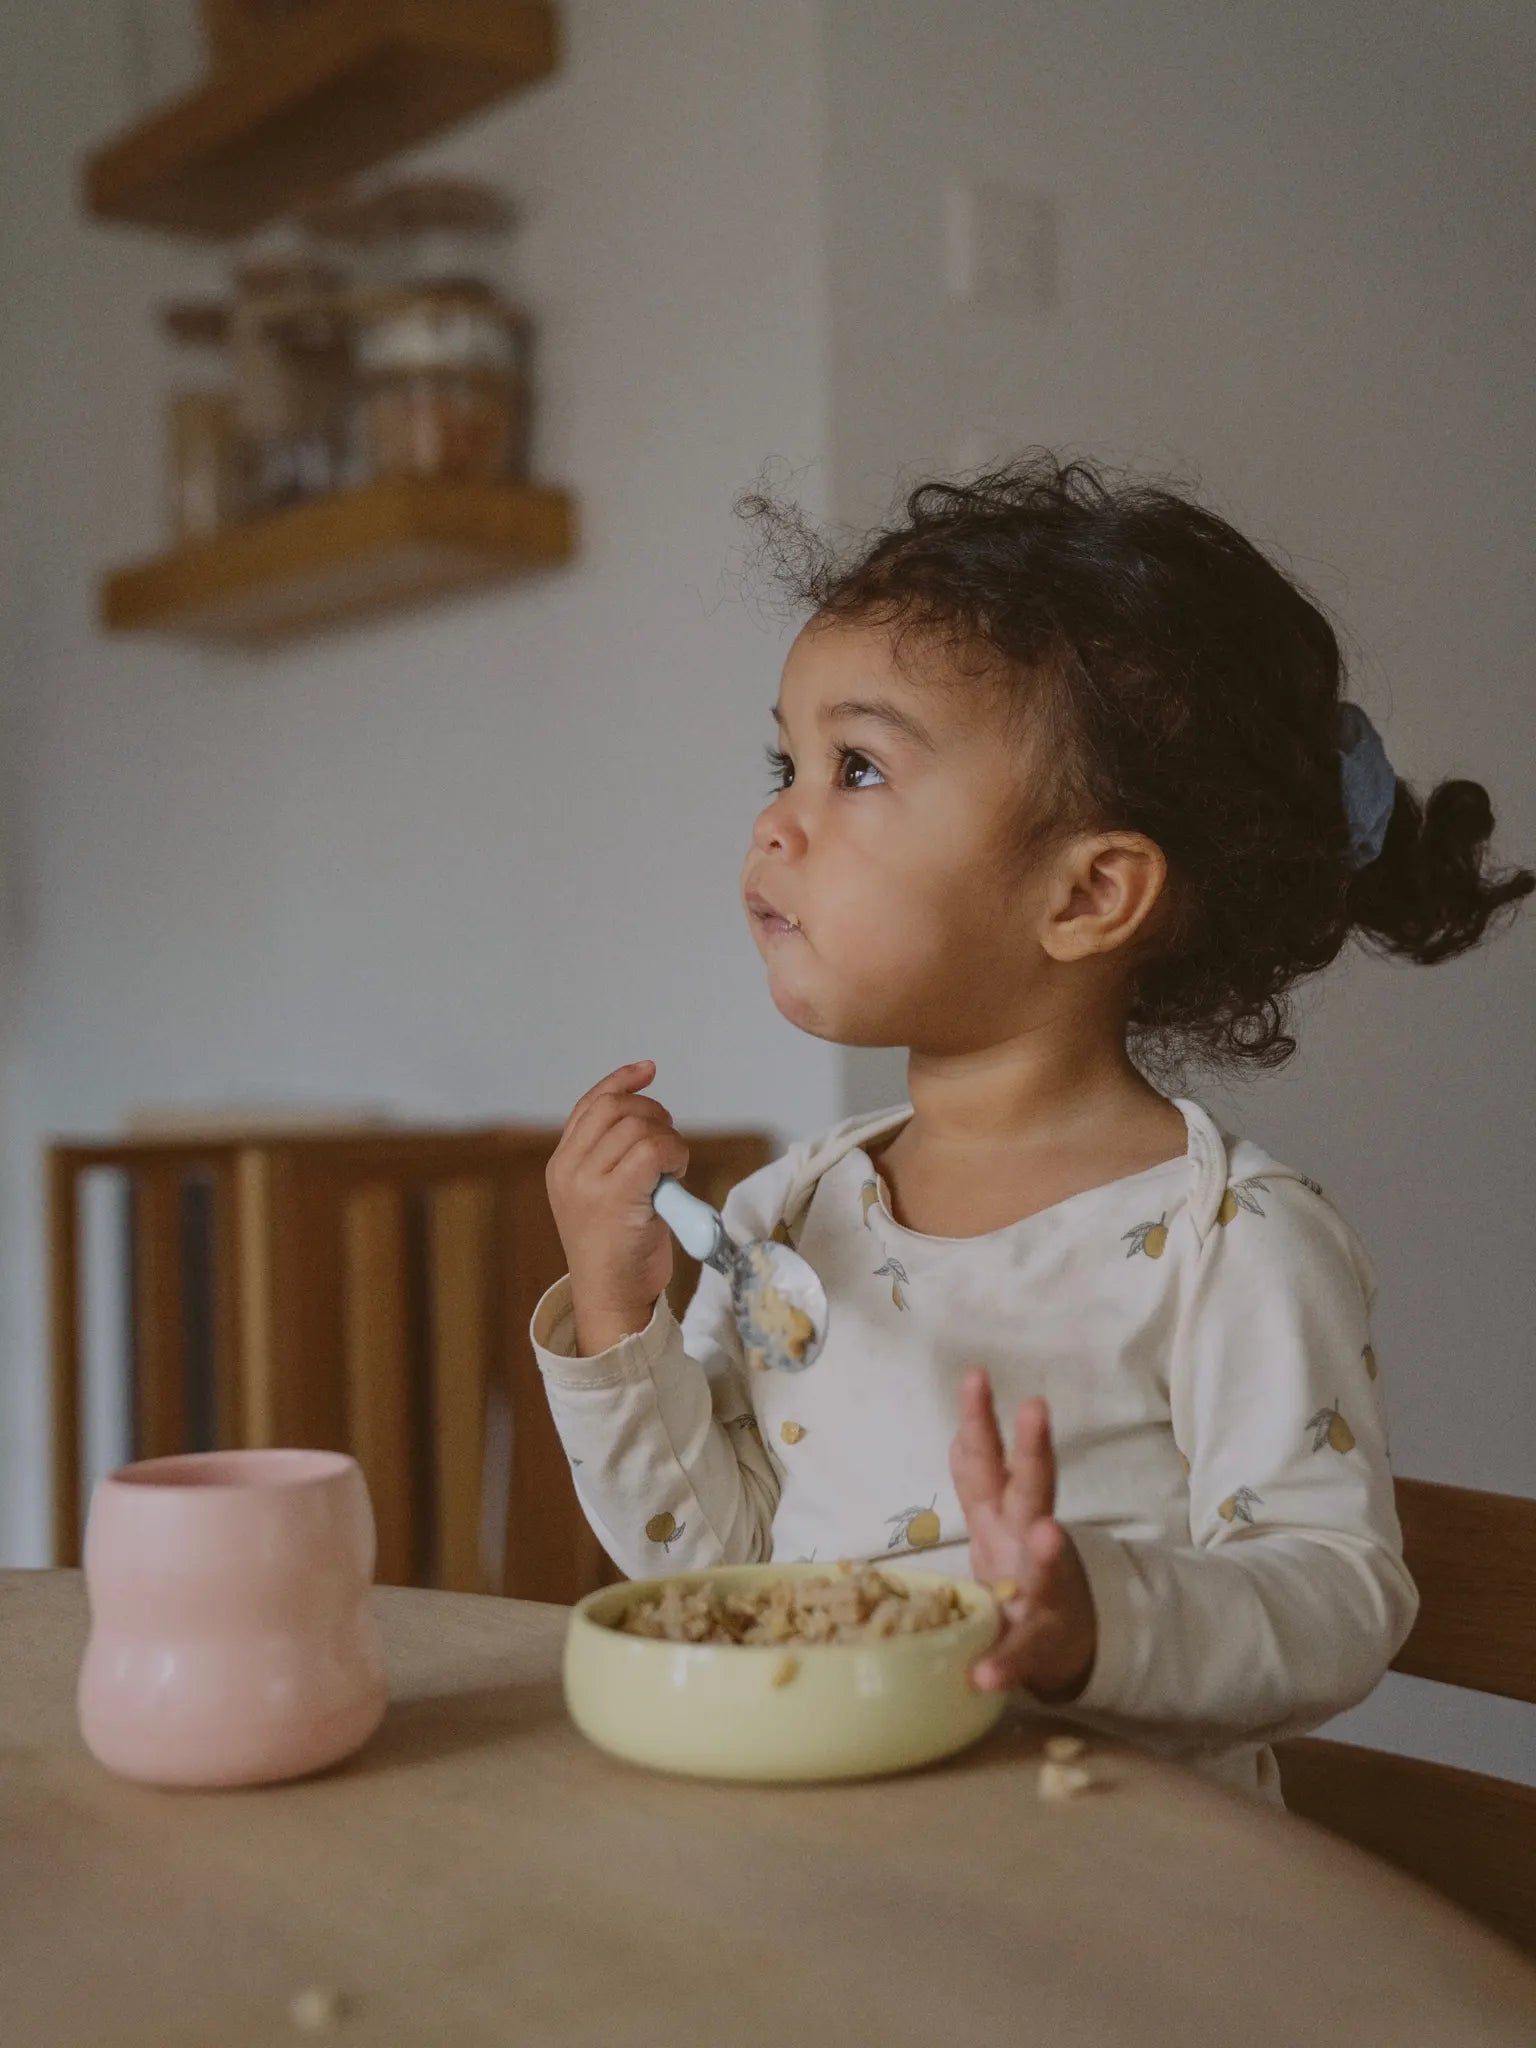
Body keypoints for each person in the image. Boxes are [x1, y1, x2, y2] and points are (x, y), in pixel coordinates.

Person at [532, 454, 1532, 1796]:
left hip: (1120, 1904)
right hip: (850, 1867)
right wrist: (614, 1305)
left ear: (1089, 894)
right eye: (789, 759)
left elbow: (1340, 1597)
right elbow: (713, 1569)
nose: (779, 819)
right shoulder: (786, 1217)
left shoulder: (1225, 1242)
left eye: (860, 769)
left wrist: (1088, 1620)